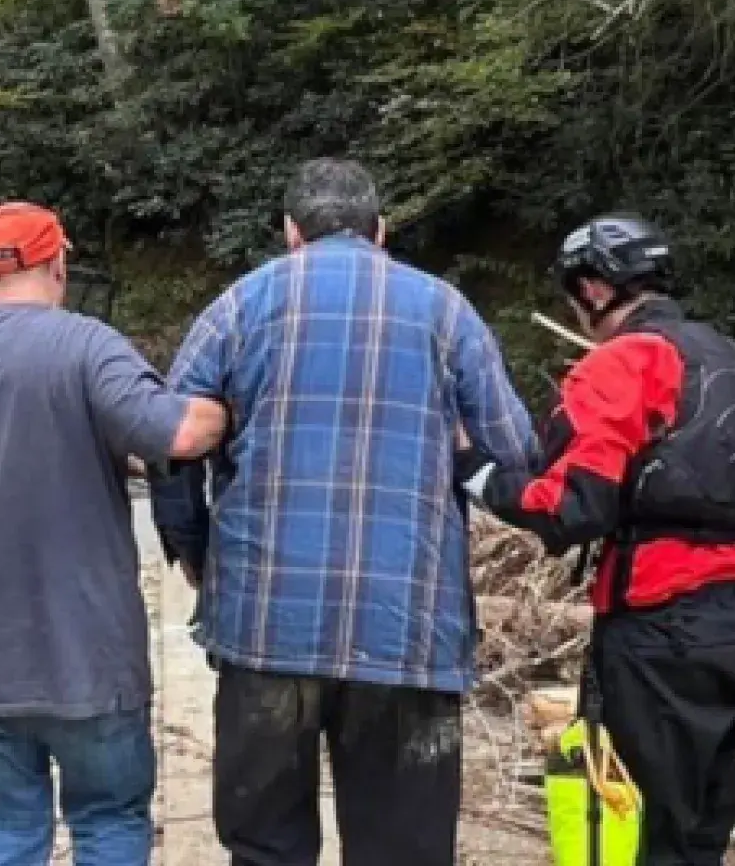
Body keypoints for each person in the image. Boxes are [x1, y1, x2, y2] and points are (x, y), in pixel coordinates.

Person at [149, 158, 539, 866]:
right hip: (408, 628)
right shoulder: (446, 311)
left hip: (265, 625)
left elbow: (168, 441)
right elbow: (516, 451)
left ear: (291, 232)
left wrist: (198, 554)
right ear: (380, 231)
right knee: (403, 853)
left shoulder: (241, 304)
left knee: (266, 849)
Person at [460, 214, 735, 866]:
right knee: (701, 837)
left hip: (660, 631)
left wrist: (477, 473)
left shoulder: (624, 361)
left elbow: (571, 508)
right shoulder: (726, 355)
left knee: (636, 836)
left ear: (593, 289)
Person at [0, 200, 229, 866]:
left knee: (4, 840)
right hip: (88, 657)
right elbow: (178, 435)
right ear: (58, 262)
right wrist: (219, 409)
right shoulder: (87, 345)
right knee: (109, 821)